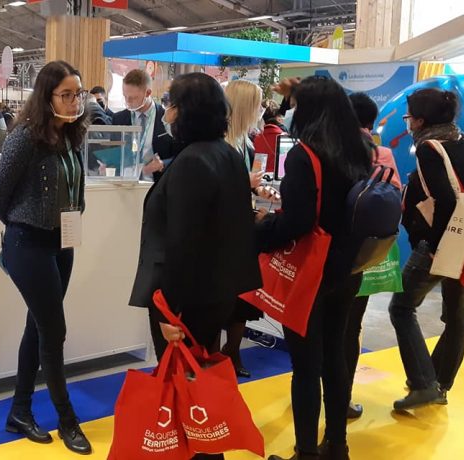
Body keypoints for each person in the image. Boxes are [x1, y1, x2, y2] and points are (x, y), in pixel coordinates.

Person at [129, 72, 262, 460]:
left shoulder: (191, 162)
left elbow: (183, 243)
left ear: (185, 111)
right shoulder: (226, 154)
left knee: (184, 389)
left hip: (184, 300)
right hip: (215, 293)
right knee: (199, 383)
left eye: (172, 103)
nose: (166, 110)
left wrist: (172, 310)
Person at [261, 76, 372, 460]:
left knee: (305, 366)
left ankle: (305, 452)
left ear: (307, 111)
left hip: (313, 272)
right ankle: (337, 445)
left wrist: (258, 229)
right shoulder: (362, 148)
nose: (290, 111)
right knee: (335, 358)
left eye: (294, 104)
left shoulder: (304, 155)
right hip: (348, 269)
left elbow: (296, 222)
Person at [0, 61, 92, 455]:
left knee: (39, 326)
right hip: (28, 244)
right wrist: (24, 223)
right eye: (67, 94)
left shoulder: (71, 136)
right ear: (47, 96)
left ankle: (19, 410)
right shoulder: (24, 139)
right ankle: (68, 421)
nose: (74, 101)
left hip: (61, 242)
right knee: (54, 331)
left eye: (78, 93)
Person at [389, 88, 464, 410]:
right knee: (458, 318)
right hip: (463, 244)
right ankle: (439, 383)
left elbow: (447, 200)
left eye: (408, 117)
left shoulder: (429, 149)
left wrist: (436, 247)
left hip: (446, 244)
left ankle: (423, 384)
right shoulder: (461, 141)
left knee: (402, 307)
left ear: (419, 120)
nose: (407, 123)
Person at [343, 92, 402, 419]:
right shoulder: (383, 154)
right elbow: (396, 202)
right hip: (366, 255)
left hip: (329, 255)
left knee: (319, 327)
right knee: (351, 329)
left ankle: (309, 388)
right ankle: (343, 398)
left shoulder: (331, 151)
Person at [219, 79, 268, 378]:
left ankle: (233, 351)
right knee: (223, 298)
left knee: (243, 297)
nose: (261, 110)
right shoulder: (221, 143)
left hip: (242, 228)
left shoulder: (244, 142)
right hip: (223, 232)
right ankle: (219, 354)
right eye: (258, 104)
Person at [112, 69, 178, 181]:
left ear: (148, 93)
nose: (128, 102)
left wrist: (162, 164)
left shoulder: (167, 117)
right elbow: (113, 154)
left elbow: (178, 155)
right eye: (125, 96)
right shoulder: (119, 119)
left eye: (133, 98)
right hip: (126, 184)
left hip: (157, 184)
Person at [253, 99, 288, 174]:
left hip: (261, 181)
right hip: (280, 180)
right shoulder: (285, 138)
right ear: (278, 116)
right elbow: (283, 170)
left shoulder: (257, 139)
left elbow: (257, 170)